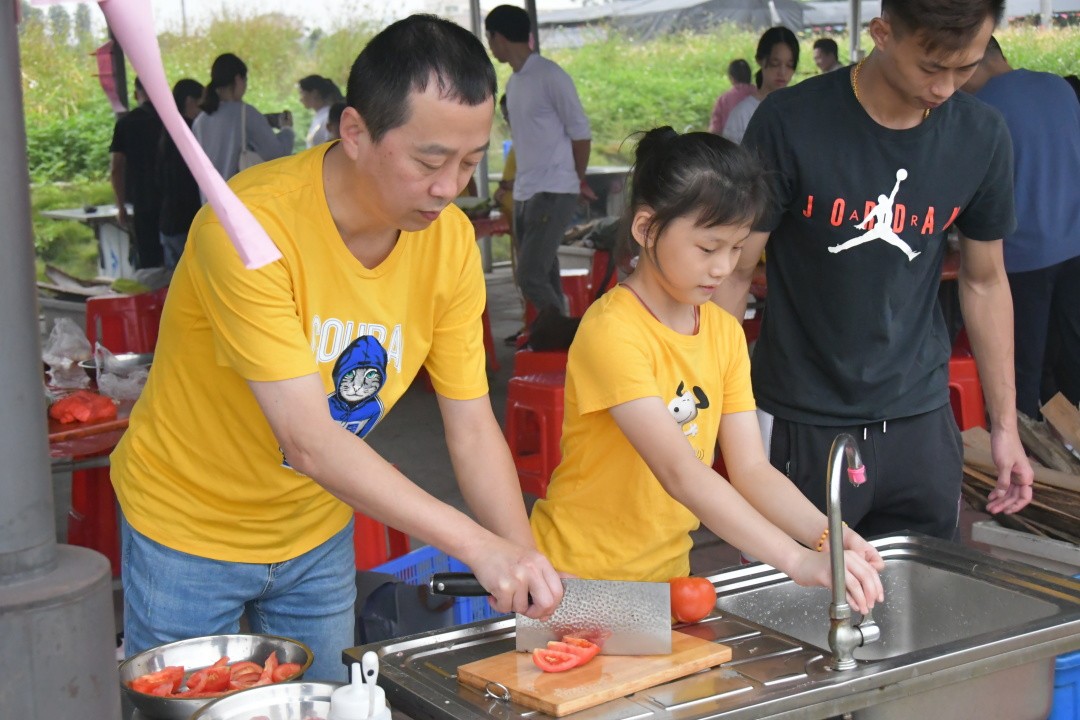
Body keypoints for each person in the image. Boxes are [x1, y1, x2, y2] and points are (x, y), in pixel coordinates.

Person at [111, 15, 563, 683]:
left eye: (471, 163)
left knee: (323, 702)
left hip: (315, 532)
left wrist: (525, 571)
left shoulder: (449, 246)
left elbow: (471, 428)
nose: (451, 188)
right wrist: (477, 546)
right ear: (355, 132)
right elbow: (310, 441)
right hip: (188, 527)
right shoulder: (252, 228)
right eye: (430, 161)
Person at [713, 0, 1034, 542]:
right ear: (882, 34)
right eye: (932, 67)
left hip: (921, 419)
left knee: (924, 602)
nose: (946, 88)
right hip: (801, 415)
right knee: (803, 606)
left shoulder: (981, 136)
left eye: (966, 67)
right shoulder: (791, 121)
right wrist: (707, 413)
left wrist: (1006, 427)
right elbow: (734, 271)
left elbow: (984, 280)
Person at [529, 127, 885, 614]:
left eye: (737, 249)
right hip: (574, 580)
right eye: (708, 247)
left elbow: (753, 471)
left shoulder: (722, 332)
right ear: (646, 229)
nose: (723, 268)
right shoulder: (613, 330)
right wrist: (797, 562)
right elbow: (681, 473)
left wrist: (830, 536)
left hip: (667, 578)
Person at [961, 37, 1080, 417]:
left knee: (1022, 366)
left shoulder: (981, 109)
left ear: (975, 61)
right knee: (1072, 357)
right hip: (1075, 245)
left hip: (1020, 257)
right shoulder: (1060, 87)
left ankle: (1026, 453)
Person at [485, 5, 597, 330]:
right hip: (526, 193)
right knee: (543, 270)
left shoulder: (550, 75)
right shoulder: (516, 83)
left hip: (554, 190)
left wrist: (576, 179)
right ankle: (559, 336)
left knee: (529, 274)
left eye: (490, 38)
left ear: (499, 37)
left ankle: (566, 334)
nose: (490, 46)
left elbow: (581, 133)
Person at [193, 53, 295, 181]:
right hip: (238, 197)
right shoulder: (245, 113)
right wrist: (287, 129)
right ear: (238, 79)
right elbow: (277, 153)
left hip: (208, 199)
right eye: (245, 81)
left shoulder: (200, 120)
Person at [109, 76, 164, 268]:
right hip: (173, 202)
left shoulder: (125, 124)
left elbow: (116, 168)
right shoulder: (172, 121)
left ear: (135, 94)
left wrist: (120, 206)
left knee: (149, 263)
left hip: (142, 201)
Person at [157, 78, 204, 270]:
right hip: (186, 222)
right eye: (203, 101)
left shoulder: (169, 130)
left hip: (168, 222)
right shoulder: (192, 131)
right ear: (190, 102)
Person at [722, 27, 798, 144]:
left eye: (789, 65)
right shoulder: (742, 114)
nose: (782, 72)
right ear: (759, 60)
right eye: (775, 63)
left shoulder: (799, 109)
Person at [708, 59, 754, 135]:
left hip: (731, 144)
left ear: (731, 78)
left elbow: (715, 130)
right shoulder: (760, 94)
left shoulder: (723, 99)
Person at [299, 75, 343, 147]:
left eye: (302, 93)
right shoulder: (319, 116)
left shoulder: (328, 115)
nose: (300, 99)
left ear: (314, 93)